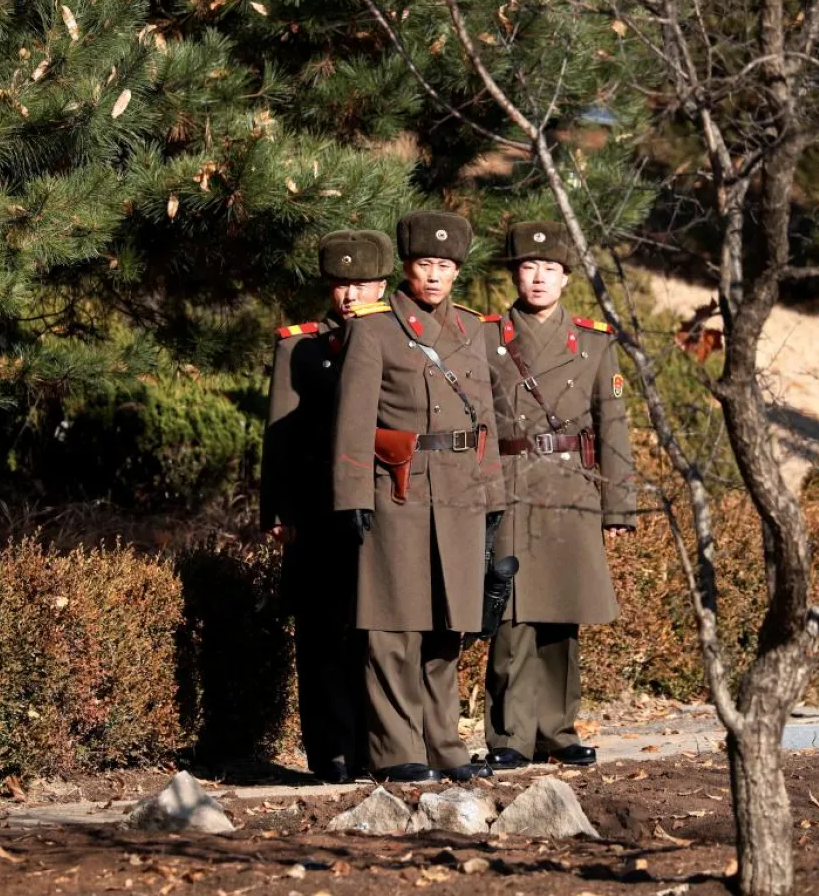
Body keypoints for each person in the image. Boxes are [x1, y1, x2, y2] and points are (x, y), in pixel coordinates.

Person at [332, 210, 505, 784]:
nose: (434, 276)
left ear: (458, 270)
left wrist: (493, 497)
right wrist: (352, 493)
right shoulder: (374, 327)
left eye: (445, 265)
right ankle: (394, 748)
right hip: (397, 491)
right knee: (392, 627)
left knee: (447, 628)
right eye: (424, 264)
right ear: (406, 267)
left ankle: (442, 742)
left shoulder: (473, 329)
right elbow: (353, 420)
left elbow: (485, 419)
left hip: (459, 491)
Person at [480, 220, 636, 769]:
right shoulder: (486, 336)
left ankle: (558, 730)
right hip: (510, 485)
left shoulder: (593, 343)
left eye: (550, 268)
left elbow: (613, 427)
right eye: (528, 267)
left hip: (571, 489)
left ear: (567, 278)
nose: (539, 277)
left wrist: (619, 506)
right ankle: (509, 736)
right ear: (515, 274)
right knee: (510, 614)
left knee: (561, 617)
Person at [262, 229, 394, 784]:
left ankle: (377, 746)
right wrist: (280, 512)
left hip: (381, 510)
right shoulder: (302, 345)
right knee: (320, 635)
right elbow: (280, 439)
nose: (350, 295)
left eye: (361, 283)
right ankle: (331, 752)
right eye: (341, 284)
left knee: (377, 633)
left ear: (383, 284)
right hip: (317, 513)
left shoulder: (400, 338)